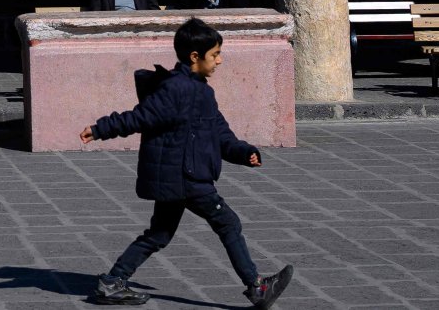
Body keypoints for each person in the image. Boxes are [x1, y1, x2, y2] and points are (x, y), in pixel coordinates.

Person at [78, 18, 293, 308]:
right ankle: (256, 287)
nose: (220, 60)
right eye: (215, 54)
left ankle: (113, 282)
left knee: (159, 234)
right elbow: (140, 117)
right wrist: (101, 128)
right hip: (187, 177)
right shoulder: (176, 89)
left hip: (180, 176)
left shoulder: (202, 91)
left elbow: (219, 132)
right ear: (195, 57)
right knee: (228, 223)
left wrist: (243, 152)